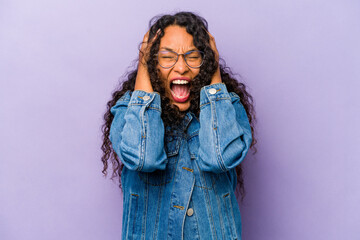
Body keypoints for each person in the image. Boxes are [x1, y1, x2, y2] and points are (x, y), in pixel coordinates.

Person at [101, 11, 257, 240]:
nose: (181, 67)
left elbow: (219, 158)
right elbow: (143, 158)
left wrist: (213, 72)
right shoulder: (128, 112)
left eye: (193, 56)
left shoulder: (227, 109)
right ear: (151, 64)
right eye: (167, 57)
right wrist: (144, 64)